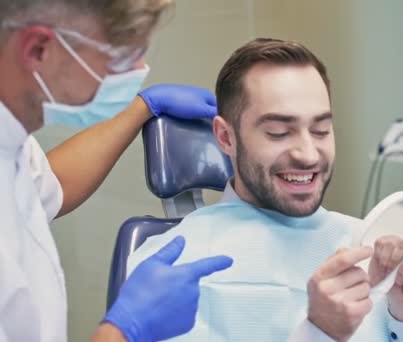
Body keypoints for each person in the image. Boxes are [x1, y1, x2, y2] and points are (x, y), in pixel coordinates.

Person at [128, 38, 403, 341]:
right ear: (226, 137)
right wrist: (319, 332)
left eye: (321, 130)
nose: (308, 154)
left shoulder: (368, 249)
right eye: (279, 132)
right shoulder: (166, 270)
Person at [0, 1, 234, 341]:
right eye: (122, 54)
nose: (140, 68)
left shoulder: (11, 141)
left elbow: (49, 186)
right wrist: (124, 330)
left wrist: (142, 108)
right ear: (39, 49)